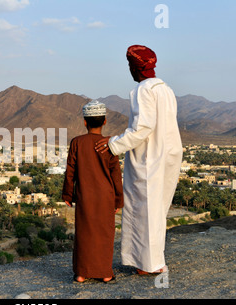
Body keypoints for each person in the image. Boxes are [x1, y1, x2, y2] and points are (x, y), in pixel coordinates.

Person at [95, 45, 183, 275]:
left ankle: (149, 265)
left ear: (135, 68)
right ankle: (153, 261)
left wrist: (113, 144)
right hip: (169, 153)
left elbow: (142, 128)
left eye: (130, 66)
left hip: (150, 157)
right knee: (158, 208)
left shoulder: (143, 90)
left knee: (144, 209)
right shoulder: (166, 89)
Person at [62, 100, 124, 283]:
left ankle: (82, 273)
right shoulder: (109, 145)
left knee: (84, 233)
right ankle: (105, 273)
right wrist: (118, 200)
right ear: (104, 121)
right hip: (106, 197)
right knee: (104, 233)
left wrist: (68, 194)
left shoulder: (77, 143)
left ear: (84, 122)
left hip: (84, 196)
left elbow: (70, 171)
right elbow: (116, 175)